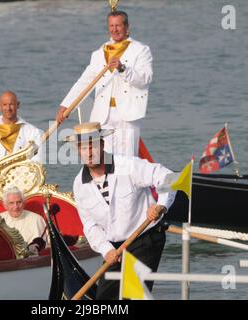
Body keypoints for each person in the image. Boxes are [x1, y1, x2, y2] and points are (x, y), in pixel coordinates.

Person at [65, 122, 176, 300]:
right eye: (84, 147)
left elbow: (167, 177)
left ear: (102, 144)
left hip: (145, 239)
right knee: (104, 300)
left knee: (131, 297)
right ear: (79, 150)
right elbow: (90, 226)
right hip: (115, 249)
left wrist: (161, 205)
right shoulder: (79, 185)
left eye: (93, 145)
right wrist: (106, 249)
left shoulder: (128, 165)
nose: (89, 152)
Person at [56, 10, 153, 156]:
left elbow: (145, 79)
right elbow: (84, 82)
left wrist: (122, 68)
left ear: (127, 27)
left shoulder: (141, 50)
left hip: (127, 115)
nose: (115, 30)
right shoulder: (99, 53)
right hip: (102, 115)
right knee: (102, 159)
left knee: (126, 162)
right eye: (111, 26)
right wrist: (66, 105)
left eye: (118, 26)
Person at [0, 91, 43, 164]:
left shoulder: (32, 132)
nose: (8, 108)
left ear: (18, 105)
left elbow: (37, 161)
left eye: (11, 104)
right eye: (4, 104)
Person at [0, 186, 47, 255]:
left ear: (24, 203)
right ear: (5, 205)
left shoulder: (36, 219)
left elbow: (42, 247)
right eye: (11, 203)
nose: (16, 207)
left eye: (19, 202)